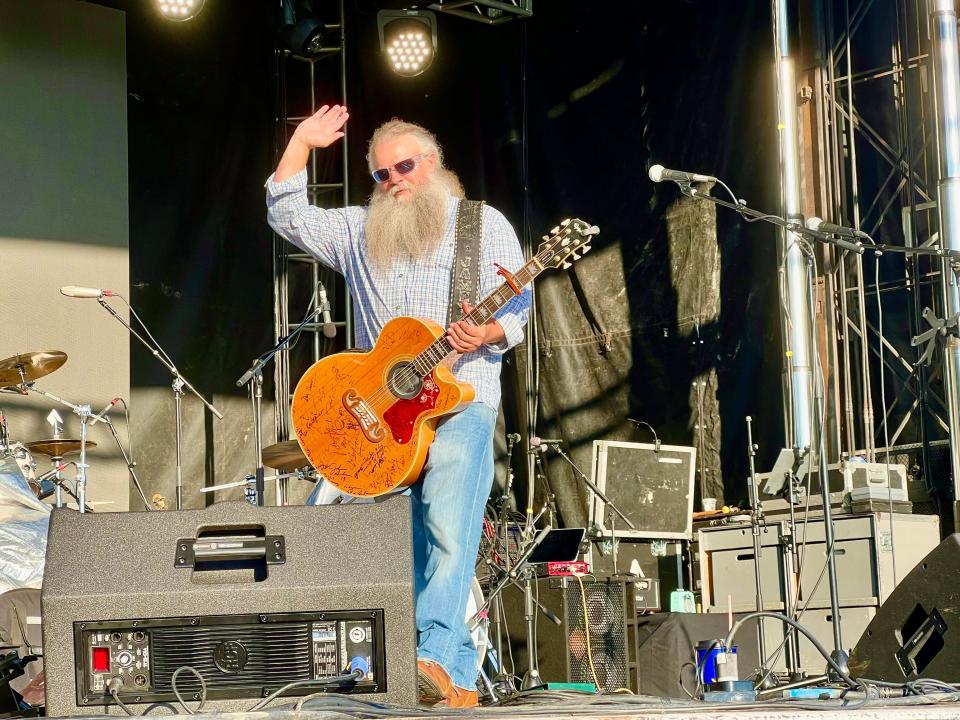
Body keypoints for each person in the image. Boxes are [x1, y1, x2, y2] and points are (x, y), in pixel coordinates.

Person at [265, 105, 530, 707]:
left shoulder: (481, 225)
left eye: (404, 167)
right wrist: (302, 143)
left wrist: (485, 336)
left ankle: (432, 656)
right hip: (384, 417)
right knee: (413, 542)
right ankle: (457, 681)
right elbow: (285, 210)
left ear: (432, 163)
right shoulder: (359, 231)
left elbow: (520, 301)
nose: (395, 181)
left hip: (462, 402)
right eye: (382, 175)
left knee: (447, 526)